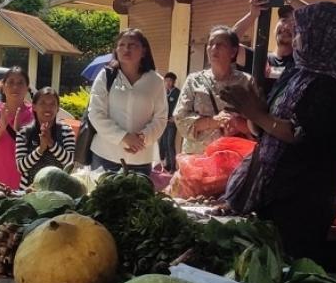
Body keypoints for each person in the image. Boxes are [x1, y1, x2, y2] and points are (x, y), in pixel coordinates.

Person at [222, 1, 336, 259]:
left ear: (323, 36)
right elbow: (266, 126)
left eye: (302, 31)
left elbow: (299, 133)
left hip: (304, 201)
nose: (296, 37)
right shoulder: (296, 74)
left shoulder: (332, 85)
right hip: (275, 193)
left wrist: (256, 112)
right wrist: (254, 110)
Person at [87, 29, 167, 174]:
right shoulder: (106, 76)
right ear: (116, 50)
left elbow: (160, 118)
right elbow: (95, 113)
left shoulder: (156, 81)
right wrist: (124, 137)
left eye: (132, 45)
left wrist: (142, 138)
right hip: (106, 154)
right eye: (121, 45)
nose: (126, 49)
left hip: (140, 158)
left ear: (143, 51)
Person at [174, 25, 254, 155]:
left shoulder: (246, 82)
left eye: (220, 44)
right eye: (210, 44)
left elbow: (258, 124)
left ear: (233, 52)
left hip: (233, 159)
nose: (213, 48)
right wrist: (214, 122)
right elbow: (180, 119)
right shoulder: (193, 80)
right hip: (198, 161)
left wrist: (236, 123)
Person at [15, 87, 76, 189]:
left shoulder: (66, 131)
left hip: (59, 192)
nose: (48, 108)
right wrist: (40, 149)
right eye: (42, 103)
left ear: (57, 108)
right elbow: (21, 167)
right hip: (28, 191)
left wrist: (51, 144)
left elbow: (70, 162)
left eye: (52, 104)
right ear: (34, 107)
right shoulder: (24, 132)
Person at [159, 72, 180, 171]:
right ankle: (167, 164)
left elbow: (180, 107)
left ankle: (173, 167)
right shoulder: (164, 92)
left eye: (170, 81)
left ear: (174, 82)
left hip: (172, 123)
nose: (168, 83)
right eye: (166, 81)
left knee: (170, 144)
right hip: (164, 122)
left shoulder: (177, 93)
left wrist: (175, 117)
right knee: (164, 144)